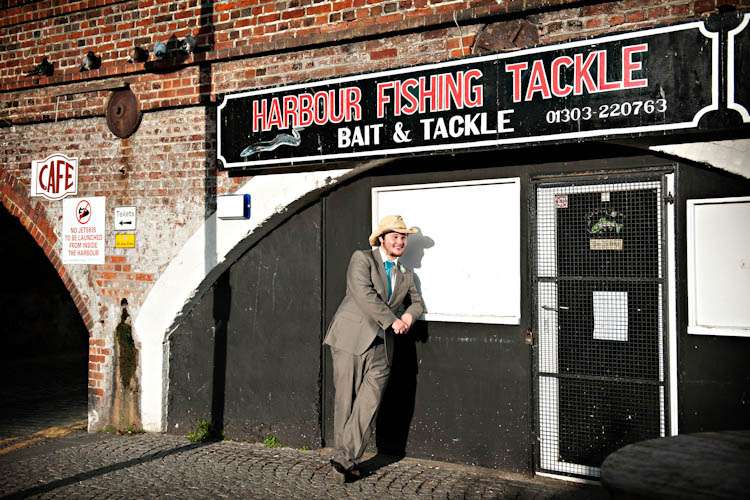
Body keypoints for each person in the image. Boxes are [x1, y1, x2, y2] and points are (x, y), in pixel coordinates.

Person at [324, 214, 425, 482]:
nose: (400, 241)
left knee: (369, 403)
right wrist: (393, 320)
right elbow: (364, 293)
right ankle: (345, 461)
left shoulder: (406, 274)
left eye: (403, 237)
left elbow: (417, 303)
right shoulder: (362, 259)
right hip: (351, 339)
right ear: (382, 238)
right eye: (395, 236)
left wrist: (408, 317)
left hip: (383, 346)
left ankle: (344, 459)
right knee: (346, 401)